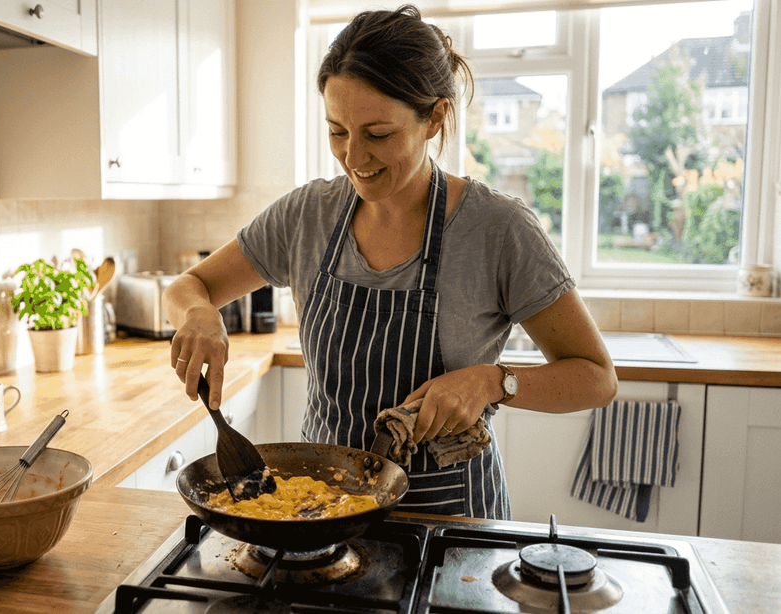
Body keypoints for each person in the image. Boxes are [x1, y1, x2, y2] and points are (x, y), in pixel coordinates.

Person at [163, 4, 617, 519]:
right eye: (338, 131)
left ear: (435, 119)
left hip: (450, 528)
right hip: (322, 516)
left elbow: (596, 378)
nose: (355, 157)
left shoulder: (498, 229)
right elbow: (187, 286)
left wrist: (494, 381)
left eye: (378, 134)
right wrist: (198, 314)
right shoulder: (307, 215)